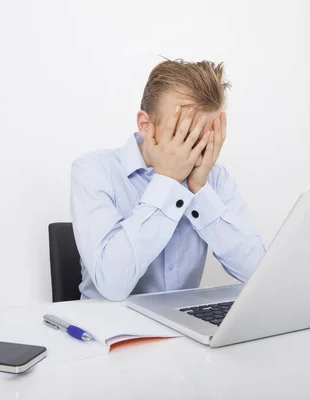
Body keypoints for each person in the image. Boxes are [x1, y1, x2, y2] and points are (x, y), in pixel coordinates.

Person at [70, 59, 266, 301]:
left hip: (182, 331)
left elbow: (259, 272)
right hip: (107, 330)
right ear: (145, 125)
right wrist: (167, 182)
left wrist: (200, 191)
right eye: (184, 134)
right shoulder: (93, 170)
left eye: (206, 138)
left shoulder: (213, 176)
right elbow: (112, 284)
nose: (196, 150)